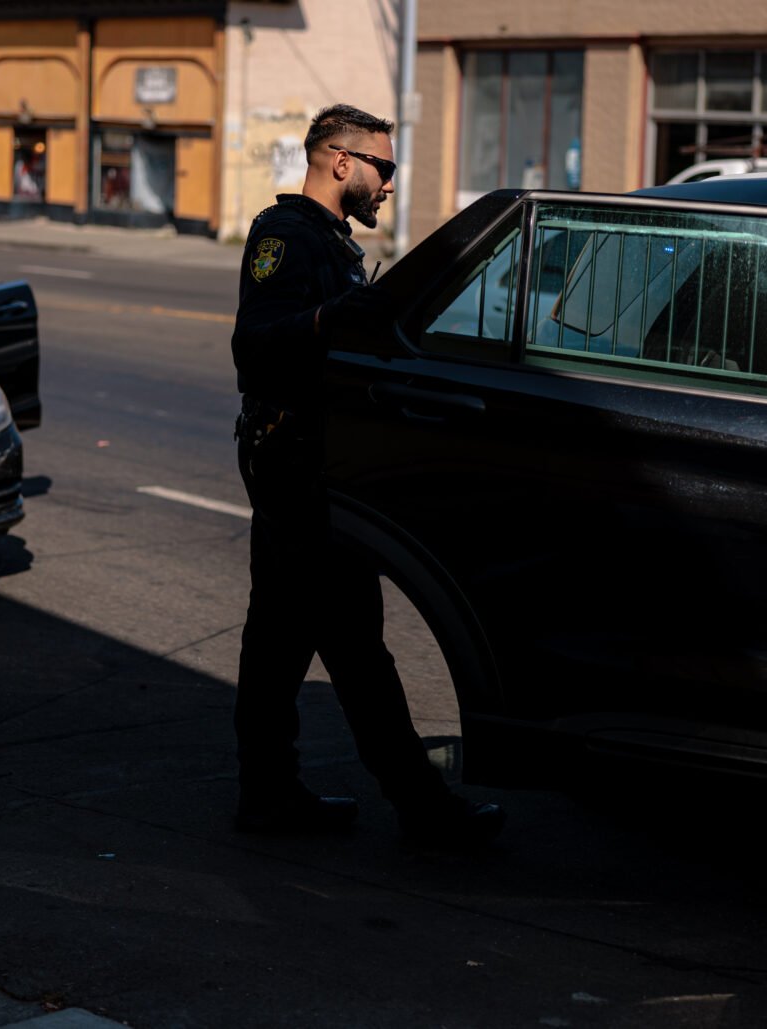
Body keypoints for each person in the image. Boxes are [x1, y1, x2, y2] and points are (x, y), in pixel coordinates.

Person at [230, 104, 506, 846]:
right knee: (351, 639)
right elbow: (254, 346)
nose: (390, 182)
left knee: (281, 636)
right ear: (340, 161)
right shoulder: (285, 236)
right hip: (293, 458)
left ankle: (269, 793)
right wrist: (331, 318)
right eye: (383, 168)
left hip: (321, 458)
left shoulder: (330, 241)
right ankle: (421, 807)